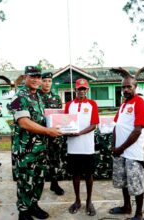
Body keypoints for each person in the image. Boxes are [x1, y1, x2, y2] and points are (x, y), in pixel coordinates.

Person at [9, 66, 62, 220]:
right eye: (32, 77)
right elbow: (24, 122)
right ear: (25, 77)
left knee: (38, 179)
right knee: (25, 180)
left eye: (38, 77)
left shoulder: (38, 97)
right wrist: (48, 131)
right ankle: (23, 211)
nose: (36, 80)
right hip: (25, 150)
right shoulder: (18, 97)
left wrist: (61, 125)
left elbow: (41, 119)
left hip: (40, 148)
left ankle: (33, 204)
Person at [108, 68, 144, 220]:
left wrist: (120, 148)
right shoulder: (124, 104)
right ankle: (126, 207)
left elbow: (137, 131)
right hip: (120, 152)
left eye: (128, 86)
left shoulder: (139, 103)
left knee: (135, 184)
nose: (125, 89)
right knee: (123, 182)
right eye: (123, 87)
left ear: (135, 86)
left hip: (132, 153)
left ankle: (139, 214)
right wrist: (113, 146)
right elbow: (117, 126)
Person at [64, 78, 99, 217]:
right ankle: (77, 200)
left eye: (84, 89)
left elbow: (94, 124)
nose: (82, 91)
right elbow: (65, 122)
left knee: (88, 174)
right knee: (75, 174)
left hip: (87, 146)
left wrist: (79, 133)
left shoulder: (92, 104)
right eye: (79, 89)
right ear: (75, 89)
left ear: (87, 90)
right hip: (73, 146)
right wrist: (67, 131)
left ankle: (89, 201)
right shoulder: (69, 105)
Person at [39, 72, 65, 196]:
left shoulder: (56, 98)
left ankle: (54, 184)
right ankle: (38, 184)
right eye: (44, 81)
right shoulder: (35, 97)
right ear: (40, 82)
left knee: (55, 159)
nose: (47, 83)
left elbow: (59, 115)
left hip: (54, 135)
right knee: (39, 160)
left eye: (49, 81)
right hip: (39, 135)